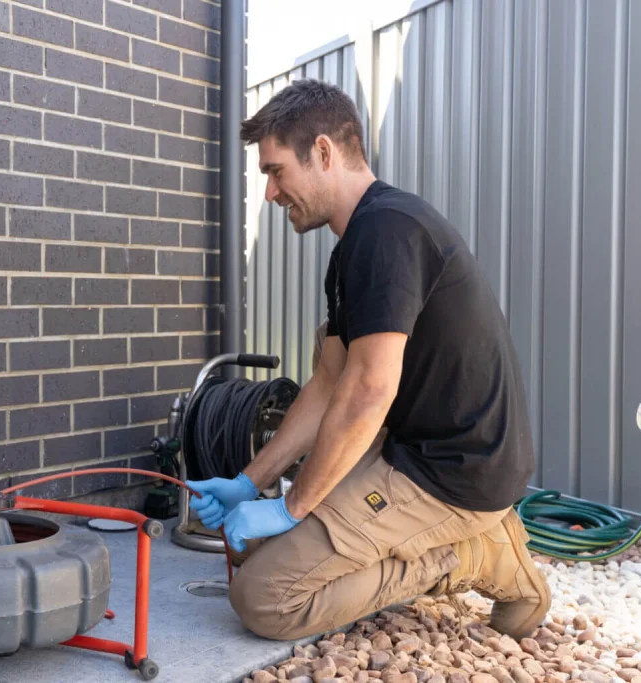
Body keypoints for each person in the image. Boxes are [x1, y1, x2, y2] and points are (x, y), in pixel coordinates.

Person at [186, 79, 550, 642]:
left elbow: (370, 388)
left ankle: (475, 553)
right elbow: (330, 382)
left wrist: (294, 506)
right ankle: (441, 539)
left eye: (275, 171)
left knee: (265, 599)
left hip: (457, 475)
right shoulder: (356, 246)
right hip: (412, 454)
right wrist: (247, 481)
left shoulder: (388, 232)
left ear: (324, 152)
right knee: (255, 542)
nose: (270, 194)